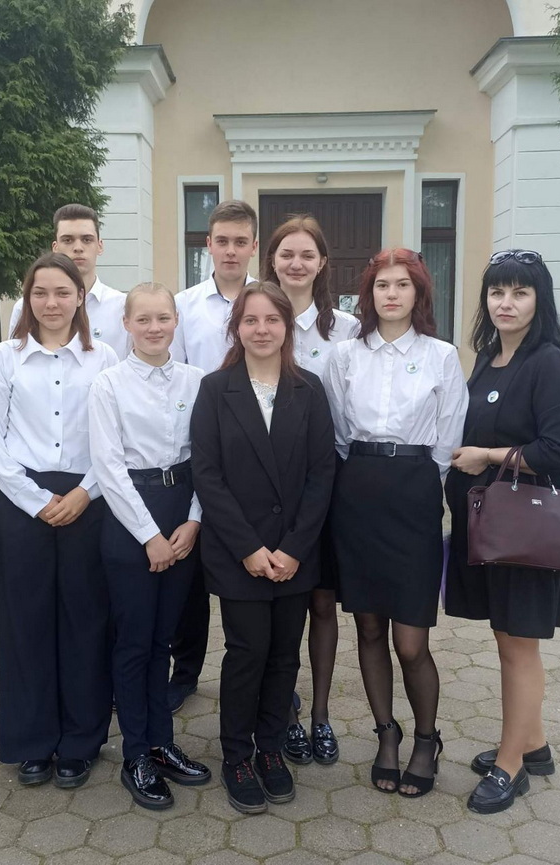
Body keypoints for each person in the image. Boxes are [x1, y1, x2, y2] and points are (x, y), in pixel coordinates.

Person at [445, 249, 560, 814]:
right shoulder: (486, 357)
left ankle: (511, 767)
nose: (506, 303)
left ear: (539, 299)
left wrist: (488, 454)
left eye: (520, 293)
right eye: (497, 292)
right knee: (509, 640)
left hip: (527, 527)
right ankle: (534, 743)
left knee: (517, 647)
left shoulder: (549, 361)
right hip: (490, 525)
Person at [324, 248, 467, 798]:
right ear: (368, 294)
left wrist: (419, 486)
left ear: (418, 294)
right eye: (381, 284)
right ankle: (386, 734)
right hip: (356, 494)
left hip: (412, 496)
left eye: (402, 285)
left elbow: (449, 435)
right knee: (366, 628)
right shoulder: (345, 356)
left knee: (410, 641)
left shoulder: (440, 355)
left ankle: (427, 738)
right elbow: (337, 430)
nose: (391, 294)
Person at [191, 282, 336, 814]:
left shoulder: (310, 389)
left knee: (283, 655)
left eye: (271, 321)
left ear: (286, 327)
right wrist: (249, 547)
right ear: (237, 328)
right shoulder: (215, 389)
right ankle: (236, 755)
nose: (261, 330)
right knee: (247, 653)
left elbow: (323, 474)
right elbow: (206, 474)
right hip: (239, 554)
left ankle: (271, 749)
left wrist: (295, 548)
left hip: (295, 553)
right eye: (250, 321)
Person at [0, 252, 118, 789]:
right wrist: (35, 500)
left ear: (80, 297)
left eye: (63, 292)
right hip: (21, 499)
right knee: (25, 623)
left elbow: (115, 438)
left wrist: (84, 492)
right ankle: (33, 741)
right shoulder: (5, 360)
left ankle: (81, 741)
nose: (52, 303)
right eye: (41, 293)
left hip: (89, 496)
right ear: (26, 299)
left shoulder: (103, 357)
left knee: (86, 620)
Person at [89, 282, 211, 809]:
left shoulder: (197, 381)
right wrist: (150, 536)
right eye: (144, 319)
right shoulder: (108, 384)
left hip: (182, 512)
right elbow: (108, 466)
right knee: (135, 640)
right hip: (130, 518)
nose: (155, 327)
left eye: (164, 318)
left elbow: (208, 457)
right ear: (127, 324)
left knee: (164, 638)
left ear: (175, 322)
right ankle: (136, 751)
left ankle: (163, 742)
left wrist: (192, 522)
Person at [260, 213, 358, 766]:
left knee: (322, 604)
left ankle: (320, 716)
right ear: (271, 259)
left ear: (322, 264)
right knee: (277, 607)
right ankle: (284, 713)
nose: (295, 264)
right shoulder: (254, 318)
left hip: (328, 488)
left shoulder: (344, 329)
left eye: (307, 255)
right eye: (286, 254)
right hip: (265, 494)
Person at [168, 200, 259, 713]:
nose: (230, 250)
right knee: (193, 577)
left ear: (252, 247)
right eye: (221, 240)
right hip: (197, 450)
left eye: (239, 241)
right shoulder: (185, 305)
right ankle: (185, 672)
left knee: (250, 572)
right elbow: (176, 376)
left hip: (256, 456)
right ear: (208, 245)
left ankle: (264, 670)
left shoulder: (265, 301)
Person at [8, 204, 130, 358]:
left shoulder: (122, 307)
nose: (78, 248)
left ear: (100, 246)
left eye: (87, 239)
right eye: (68, 240)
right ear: (55, 247)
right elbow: (14, 360)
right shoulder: (27, 307)